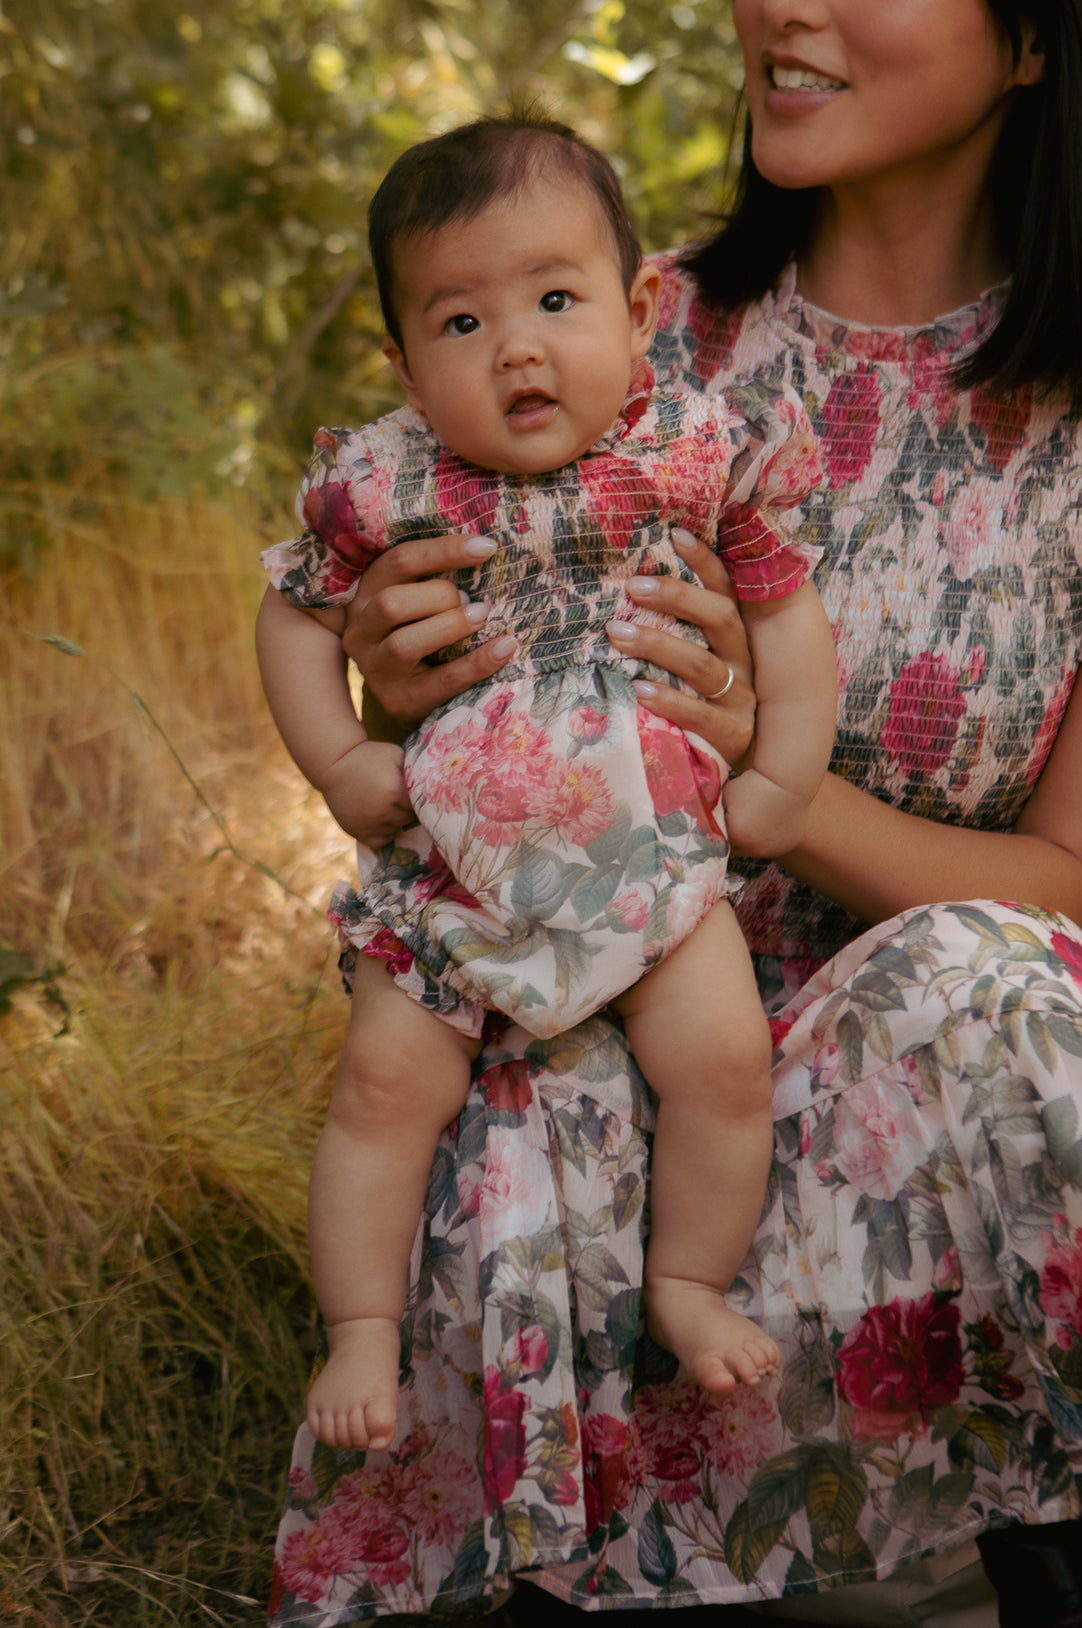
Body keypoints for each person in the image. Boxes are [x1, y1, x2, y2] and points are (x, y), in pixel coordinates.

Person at [268, 2, 1082, 1624]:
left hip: (880, 1114)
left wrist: (778, 791)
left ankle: (962, 1539)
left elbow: (1071, 890)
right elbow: (425, 756)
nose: (783, 1)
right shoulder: (606, 325)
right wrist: (385, 684)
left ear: (1035, 39)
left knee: (995, 989)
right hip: (577, 1067)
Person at [256, 115, 836, 1455]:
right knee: (382, 1094)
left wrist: (785, 783)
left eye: (556, 300)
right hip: (455, 871)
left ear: (638, 311)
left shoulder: (695, 451)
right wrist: (342, 761)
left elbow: (786, 613)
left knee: (722, 1067)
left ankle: (688, 1288)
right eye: (458, 323)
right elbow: (289, 616)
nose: (514, 346)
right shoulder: (384, 480)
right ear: (401, 361)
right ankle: (360, 1325)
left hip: (646, 860)